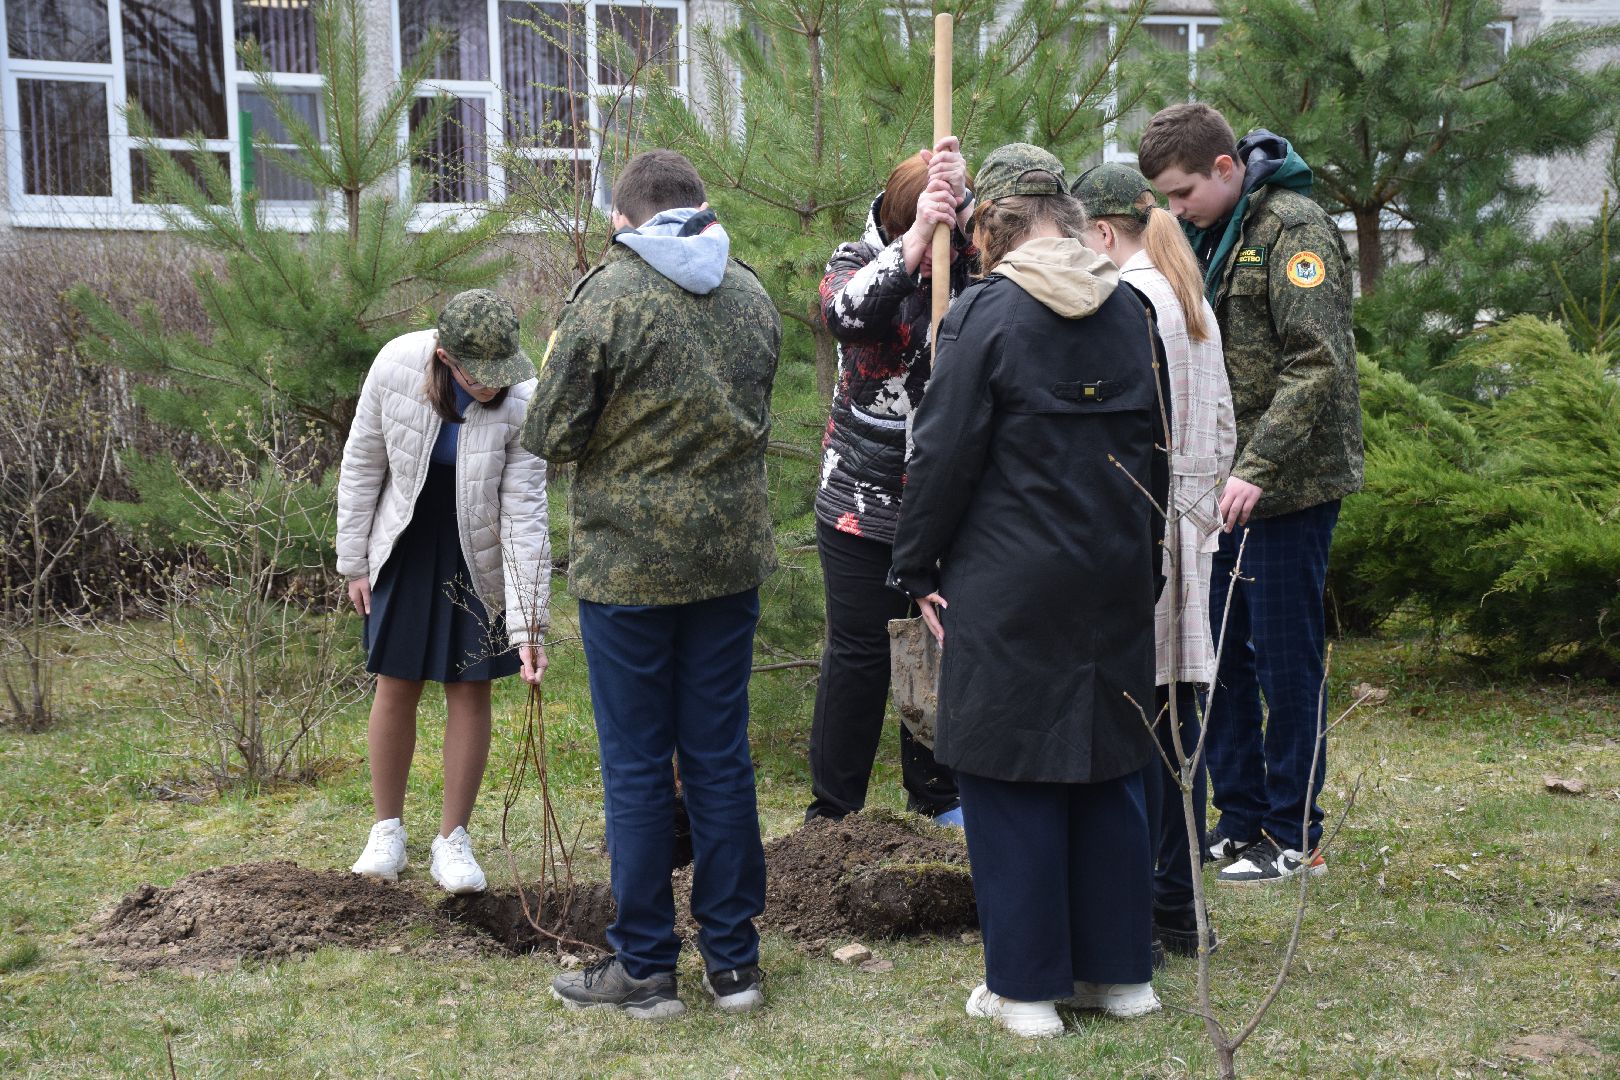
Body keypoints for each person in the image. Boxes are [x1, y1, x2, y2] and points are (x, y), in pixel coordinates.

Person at [890, 144, 1170, 1039]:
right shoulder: (1133, 311)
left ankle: (1025, 989)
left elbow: (941, 454)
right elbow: (1158, 452)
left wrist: (916, 564)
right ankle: (1120, 975)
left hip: (1010, 578)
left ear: (993, 228)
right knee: (1111, 762)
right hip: (1117, 568)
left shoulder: (986, 314)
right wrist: (1149, 560)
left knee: (1010, 773)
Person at [525, 150, 781, 1019]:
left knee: (637, 764)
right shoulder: (749, 291)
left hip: (630, 570)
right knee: (719, 756)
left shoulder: (610, 295)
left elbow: (551, 430)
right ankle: (735, 964)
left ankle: (645, 967)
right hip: (728, 563)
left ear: (622, 219)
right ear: (701, 208)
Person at [1137, 103, 1363, 885]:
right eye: (1164, 198)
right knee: (1222, 651)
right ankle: (1237, 821)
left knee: (1282, 655)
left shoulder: (1293, 230)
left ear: (1226, 168)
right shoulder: (1211, 232)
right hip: (1217, 485)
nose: (1173, 210)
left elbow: (1317, 362)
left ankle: (1293, 831)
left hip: (1287, 486)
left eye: (1182, 192)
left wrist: (1257, 466)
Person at [1073, 162, 1236, 958]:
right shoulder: (1191, 296)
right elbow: (1227, 426)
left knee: (1142, 731)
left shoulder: (1130, 300)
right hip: (1191, 538)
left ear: (1101, 233)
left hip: (1145, 541)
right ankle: (1185, 904)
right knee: (1182, 729)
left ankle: (1153, 903)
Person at [337, 289, 552, 895]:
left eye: (497, 375)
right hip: (404, 537)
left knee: (469, 686)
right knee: (395, 682)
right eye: (473, 375)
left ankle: (452, 840)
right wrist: (355, 560)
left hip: (476, 551)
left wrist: (529, 623)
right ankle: (387, 831)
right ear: (442, 356)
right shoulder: (395, 364)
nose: (488, 386)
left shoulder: (523, 403)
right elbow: (362, 463)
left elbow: (525, 514)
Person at [808, 136, 975, 826]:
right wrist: (914, 247)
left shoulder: (971, 267)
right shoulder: (856, 260)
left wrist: (962, 214)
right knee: (857, 654)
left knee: (936, 645)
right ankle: (834, 809)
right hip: (859, 502)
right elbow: (847, 315)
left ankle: (938, 800)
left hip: (944, 501)